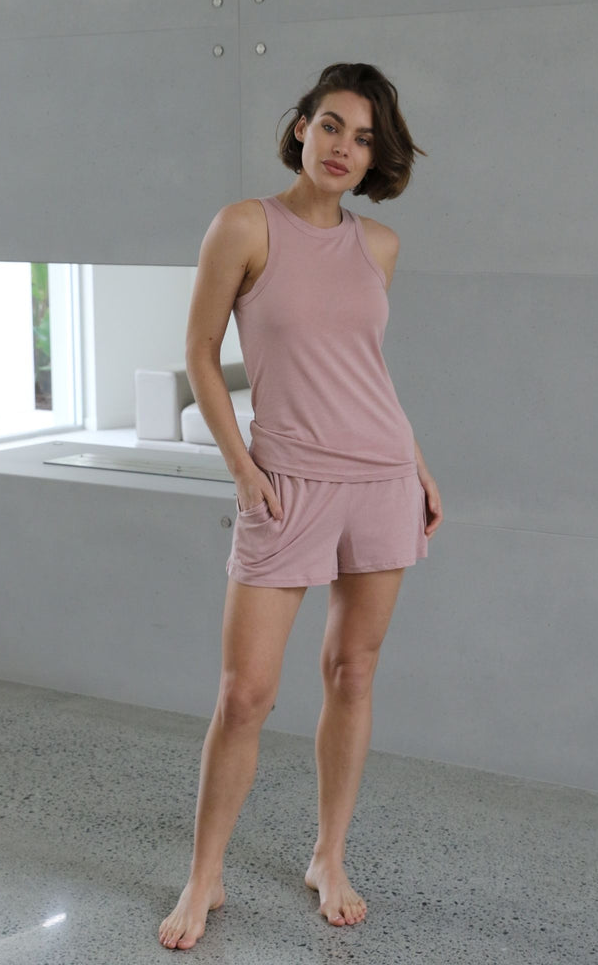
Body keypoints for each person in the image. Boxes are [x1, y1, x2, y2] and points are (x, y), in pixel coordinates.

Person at [158, 62, 443, 951]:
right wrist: (243, 471)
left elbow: (362, 371)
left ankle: (328, 856)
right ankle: (204, 876)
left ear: (375, 157)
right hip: (286, 485)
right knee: (244, 695)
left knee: (352, 674)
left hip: (382, 480)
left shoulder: (379, 245)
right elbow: (201, 352)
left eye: (362, 138)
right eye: (330, 125)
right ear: (299, 128)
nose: (342, 148)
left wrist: (419, 466)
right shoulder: (245, 225)